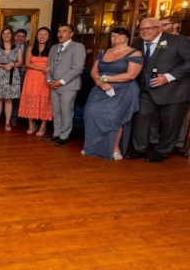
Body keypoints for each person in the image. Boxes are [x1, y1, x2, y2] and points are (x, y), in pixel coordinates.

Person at [126, 18, 190, 163]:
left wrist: (168, 77)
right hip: (146, 90)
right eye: (142, 29)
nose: (145, 31)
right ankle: (139, 148)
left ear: (159, 28)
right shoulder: (137, 44)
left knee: (170, 124)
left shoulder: (179, 41)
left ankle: (162, 151)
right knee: (140, 118)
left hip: (174, 91)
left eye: (149, 28)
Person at [82, 28, 143, 160]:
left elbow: (131, 75)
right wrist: (99, 81)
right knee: (90, 113)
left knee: (114, 117)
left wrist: (106, 79)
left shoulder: (135, 53)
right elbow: (94, 71)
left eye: (120, 35)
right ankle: (91, 146)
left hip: (123, 89)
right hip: (100, 88)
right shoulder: (104, 52)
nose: (116, 37)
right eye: (113, 35)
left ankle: (115, 147)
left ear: (127, 37)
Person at [149, 16, 189, 157]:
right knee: (155, 117)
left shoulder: (184, 41)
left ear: (176, 25)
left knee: (177, 119)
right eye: (160, 25)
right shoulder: (158, 41)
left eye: (165, 25)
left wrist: (168, 76)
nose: (162, 28)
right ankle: (155, 142)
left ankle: (178, 144)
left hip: (177, 88)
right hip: (156, 86)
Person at [43, 24, 86, 146]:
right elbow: (48, 67)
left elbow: (77, 69)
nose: (60, 34)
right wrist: (49, 80)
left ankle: (64, 136)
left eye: (64, 31)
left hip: (69, 86)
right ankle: (56, 133)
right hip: (53, 85)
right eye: (59, 31)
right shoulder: (54, 48)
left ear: (71, 33)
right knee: (56, 111)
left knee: (66, 111)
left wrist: (61, 82)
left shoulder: (78, 47)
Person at [18, 27, 53, 137]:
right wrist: (41, 68)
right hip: (31, 77)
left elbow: (55, 64)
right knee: (30, 99)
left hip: (45, 78)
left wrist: (49, 68)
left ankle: (43, 125)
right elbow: (27, 64)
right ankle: (31, 124)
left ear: (48, 36)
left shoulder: (52, 49)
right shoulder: (31, 48)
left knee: (45, 101)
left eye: (45, 34)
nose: (42, 36)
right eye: (40, 34)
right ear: (36, 36)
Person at [0, 27, 23, 131]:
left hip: (12, 75)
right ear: (1, 35)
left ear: (12, 35)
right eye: (4, 34)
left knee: (8, 100)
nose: (6, 35)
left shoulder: (17, 47)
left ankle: (7, 123)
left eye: (8, 33)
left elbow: (20, 62)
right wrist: (2, 66)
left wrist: (12, 64)